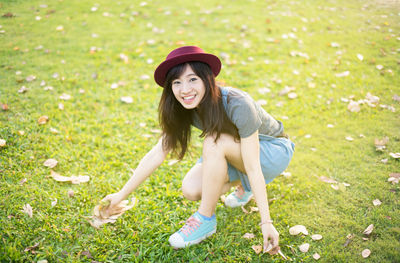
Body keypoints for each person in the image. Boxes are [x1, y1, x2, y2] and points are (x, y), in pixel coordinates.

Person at [102, 46, 294, 253]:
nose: (185, 90)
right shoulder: (182, 107)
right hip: (235, 151)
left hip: (273, 152)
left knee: (214, 141)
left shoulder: (238, 103)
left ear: (207, 79)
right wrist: (121, 195)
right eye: (177, 82)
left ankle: (205, 219)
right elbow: (157, 153)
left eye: (192, 79)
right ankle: (243, 185)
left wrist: (266, 222)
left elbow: (254, 166)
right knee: (191, 189)